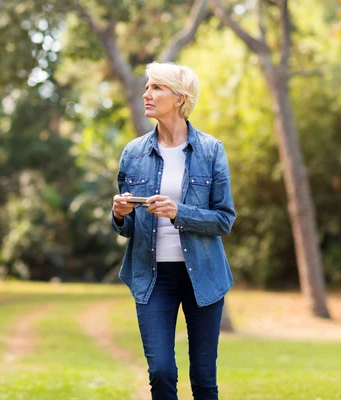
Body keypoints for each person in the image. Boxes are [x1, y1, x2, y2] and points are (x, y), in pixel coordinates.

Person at [110, 62, 236, 400]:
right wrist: (120, 215)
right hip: (152, 277)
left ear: (179, 98)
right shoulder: (133, 153)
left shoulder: (211, 151)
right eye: (147, 86)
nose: (146, 94)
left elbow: (224, 219)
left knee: (204, 380)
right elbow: (127, 228)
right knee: (161, 373)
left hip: (204, 276)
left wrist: (180, 212)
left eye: (156, 88)